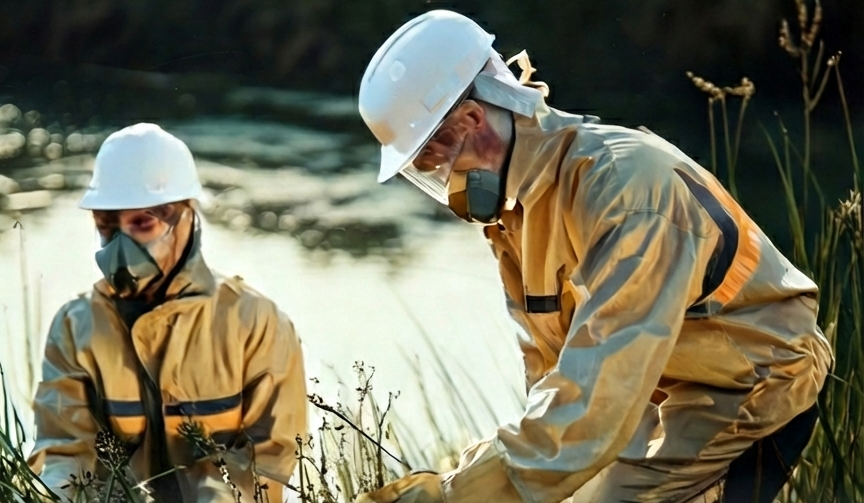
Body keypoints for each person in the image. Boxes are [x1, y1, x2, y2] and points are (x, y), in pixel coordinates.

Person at [355, 10, 833, 503]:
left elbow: (601, 394)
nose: (445, 184)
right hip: (658, 389)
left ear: (474, 121)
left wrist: (452, 495)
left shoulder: (625, 191)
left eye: (436, 164)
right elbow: (553, 377)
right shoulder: (516, 214)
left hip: (749, 382)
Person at [27, 123, 307, 502]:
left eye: (141, 223)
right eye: (107, 226)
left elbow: (267, 465)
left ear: (187, 218)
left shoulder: (257, 325)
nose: (119, 244)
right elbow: (63, 456)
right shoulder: (75, 328)